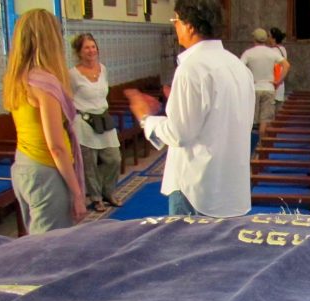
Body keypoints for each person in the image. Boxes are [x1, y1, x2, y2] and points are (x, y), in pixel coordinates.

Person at [125, 0, 255, 217]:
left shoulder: (192, 68)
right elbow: (222, 117)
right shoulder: (237, 66)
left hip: (197, 188)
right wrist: (178, 102)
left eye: (176, 21)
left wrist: (145, 118)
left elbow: (179, 134)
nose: (175, 27)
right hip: (230, 186)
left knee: (187, 249)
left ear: (190, 26)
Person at [2, 9, 86, 234]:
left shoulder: (18, 77)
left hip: (24, 165)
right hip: (46, 169)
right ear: (50, 40)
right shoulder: (44, 83)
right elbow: (56, 146)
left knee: (37, 240)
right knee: (51, 248)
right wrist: (77, 192)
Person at [69, 33, 122, 213]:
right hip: (84, 122)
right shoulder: (73, 75)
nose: (91, 51)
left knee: (114, 158)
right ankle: (96, 198)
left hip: (104, 119)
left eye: (93, 47)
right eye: (86, 48)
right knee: (89, 164)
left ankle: (109, 191)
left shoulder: (103, 69)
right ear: (79, 52)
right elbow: (67, 100)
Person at [240, 27, 290, 136]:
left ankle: (250, 146)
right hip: (269, 88)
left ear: (254, 39)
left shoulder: (248, 53)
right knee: (265, 120)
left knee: (251, 120)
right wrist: (278, 81)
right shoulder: (271, 52)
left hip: (254, 89)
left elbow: (239, 67)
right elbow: (286, 65)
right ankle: (261, 146)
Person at [268, 27, 288, 104]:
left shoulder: (273, 51)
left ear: (273, 38)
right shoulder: (282, 49)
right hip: (281, 83)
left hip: (274, 84)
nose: (267, 38)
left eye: (269, 36)